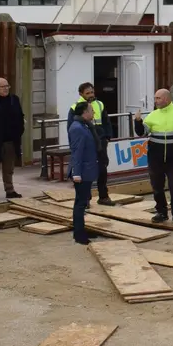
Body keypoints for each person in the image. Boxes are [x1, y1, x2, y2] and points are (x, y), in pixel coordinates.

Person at [134, 88, 173, 224]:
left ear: (166, 99)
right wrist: (138, 121)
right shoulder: (152, 115)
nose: (155, 101)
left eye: (158, 98)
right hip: (156, 160)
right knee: (157, 188)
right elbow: (141, 133)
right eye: (155, 98)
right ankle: (161, 213)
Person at [67, 82, 115, 206]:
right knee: (85, 171)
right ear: (81, 94)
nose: (91, 95)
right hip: (87, 142)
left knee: (102, 169)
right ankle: (85, 199)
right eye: (87, 93)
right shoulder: (75, 107)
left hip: (100, 140)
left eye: (92, 92)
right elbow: (71, 127)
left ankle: (103, 196)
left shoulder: (99, 104)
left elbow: (106, 121)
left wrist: (107, 137)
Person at [67, 101, 99, 245]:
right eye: (91, 110)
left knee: (83, 201)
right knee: (80, 203)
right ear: (84, 112)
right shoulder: (77, 128)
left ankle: (81, 229)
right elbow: (77, 152)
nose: (94, 113)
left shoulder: (84, 125)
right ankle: (79, 234)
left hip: (88, 169)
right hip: (83, 171)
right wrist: (77, 173)